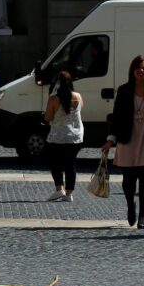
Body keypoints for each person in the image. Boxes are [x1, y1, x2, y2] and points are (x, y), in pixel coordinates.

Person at [102, 55, 144, 229]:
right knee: (129, 180)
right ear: (133, 70)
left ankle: (143, 215)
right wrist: (110, 140)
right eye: (139, 68)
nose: (142, 71)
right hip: (128, 138)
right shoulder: (124, 91)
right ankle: (131, 205)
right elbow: (116, 117)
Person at [43, 71, 84, 202]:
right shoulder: (78, 96)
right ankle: (69, 194)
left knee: (54, 162)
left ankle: (59, 188)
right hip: (75, 136)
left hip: (58, 136)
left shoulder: (54, 98)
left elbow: (48, 117)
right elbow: (80, 109)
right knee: (70, 164)